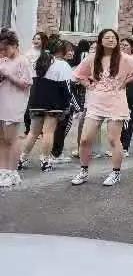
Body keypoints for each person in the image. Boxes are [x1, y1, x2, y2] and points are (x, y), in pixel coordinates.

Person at [70, 29, 133, 186]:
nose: (111, 40)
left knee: (113, 139)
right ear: (101, 41)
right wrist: (89, 85)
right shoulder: (93, 58)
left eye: (114, 37)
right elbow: (78, 75)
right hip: (96, 102)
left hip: (116, 102)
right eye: (107, 37)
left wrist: (126, 81)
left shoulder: (125, 58)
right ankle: (83, 171)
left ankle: (115, 173)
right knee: (85, 139)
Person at [19, 40, 76, 172]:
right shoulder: (63, 65)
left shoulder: (38, 62)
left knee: (33, 132)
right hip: (53, 103)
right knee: (48, 132)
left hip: (35, 101)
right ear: (61, 51)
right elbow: (67, 87)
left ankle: (21, 159)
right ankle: (45, 161)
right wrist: (68, 104)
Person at [0, 30, 33, 187]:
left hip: (14, 104)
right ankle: (3, 170)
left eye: (5, 49)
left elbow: (26, 83)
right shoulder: (4, 60)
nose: (3, 52)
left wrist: (8, 75)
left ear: (14, 45)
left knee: (11, 139)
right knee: (1, 139)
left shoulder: (23, 61)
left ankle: (13, 172)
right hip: (3, 101)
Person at [119, 38, 133, 157]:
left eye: (126, 45)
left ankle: (125, 147)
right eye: (121, 45)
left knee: (127, 121)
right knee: (118, 121)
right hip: (118, 94)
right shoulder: (119, 58)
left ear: (132, 47)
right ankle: (118, 146)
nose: (123, 47)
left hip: (129, 94)